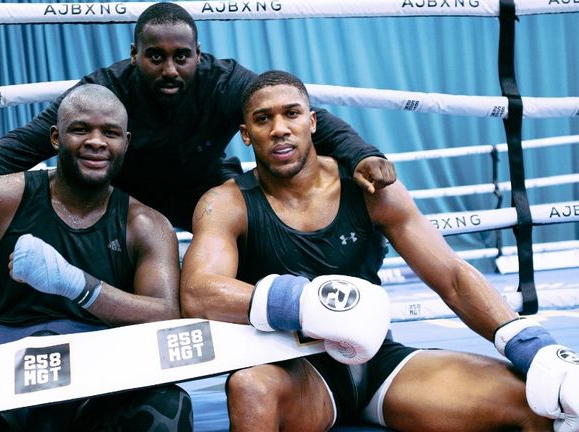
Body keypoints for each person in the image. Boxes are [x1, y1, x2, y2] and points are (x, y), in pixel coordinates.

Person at [179, 70, 578, 431]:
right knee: (251, 389)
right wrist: (305, 303)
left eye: (292, 114)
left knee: (537, 401)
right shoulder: (228, 204)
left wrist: (529, 344)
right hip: (296, 369)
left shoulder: (369, 189)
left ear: (312, 122)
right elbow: (198, 292)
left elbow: (452, 277)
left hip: (378, 363)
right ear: (246, 134)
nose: (280, 129)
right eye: (264, 119)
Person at [0, 84, 193, 431]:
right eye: (80, 129)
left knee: (167, 407)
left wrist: (78, 286)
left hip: (95, 389)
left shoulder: (145, 225)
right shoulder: (5, 198)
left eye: (110, 132)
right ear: (56, 138)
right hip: (1, 392)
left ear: (126, 143)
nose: (96, 141)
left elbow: (166, 313)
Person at [0, 2, 396, 232]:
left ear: (198, 54)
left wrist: (363, 155)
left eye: (182, 57)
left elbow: (296, 111)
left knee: (244, 220)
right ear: (134, 54)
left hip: (205, 185)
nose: (170, 69)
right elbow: (38, 136)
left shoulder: (225, 81)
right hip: (123, 196)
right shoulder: (104, 89)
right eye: (155, 57)